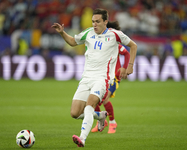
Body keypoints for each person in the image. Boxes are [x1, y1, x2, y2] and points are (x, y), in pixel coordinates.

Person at [51, 8, 137, 147]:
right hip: (86, 78)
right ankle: (101, 116)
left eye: (97, 22)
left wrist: (130, 66)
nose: (94, 24)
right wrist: (62, 33)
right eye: (93, 22)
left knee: (89, 105)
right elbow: (73, 42)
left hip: (102, 79)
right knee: (74, 113)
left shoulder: (115, 35)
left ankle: (82, 138)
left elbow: (133, 46)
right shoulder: (88, 33)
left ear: (105, 22)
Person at [91, 21, 130, 134]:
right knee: (93, 100)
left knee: (104, 99)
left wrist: (124, 67)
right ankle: (101, 121)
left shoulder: (115, 44)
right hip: (100, 76)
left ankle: (112, 122)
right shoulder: (98, 44)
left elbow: (127, 53)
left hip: (113, 77)